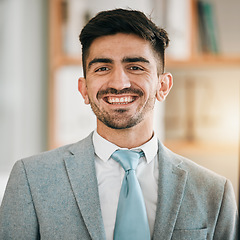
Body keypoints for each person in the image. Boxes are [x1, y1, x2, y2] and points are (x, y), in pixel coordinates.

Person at [0, 8, 238, 240]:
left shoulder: (214, 192)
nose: (119, 83)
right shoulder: (31, 179)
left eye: (135, 67)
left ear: (163, 86)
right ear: (84, 89)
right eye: (103, 68)